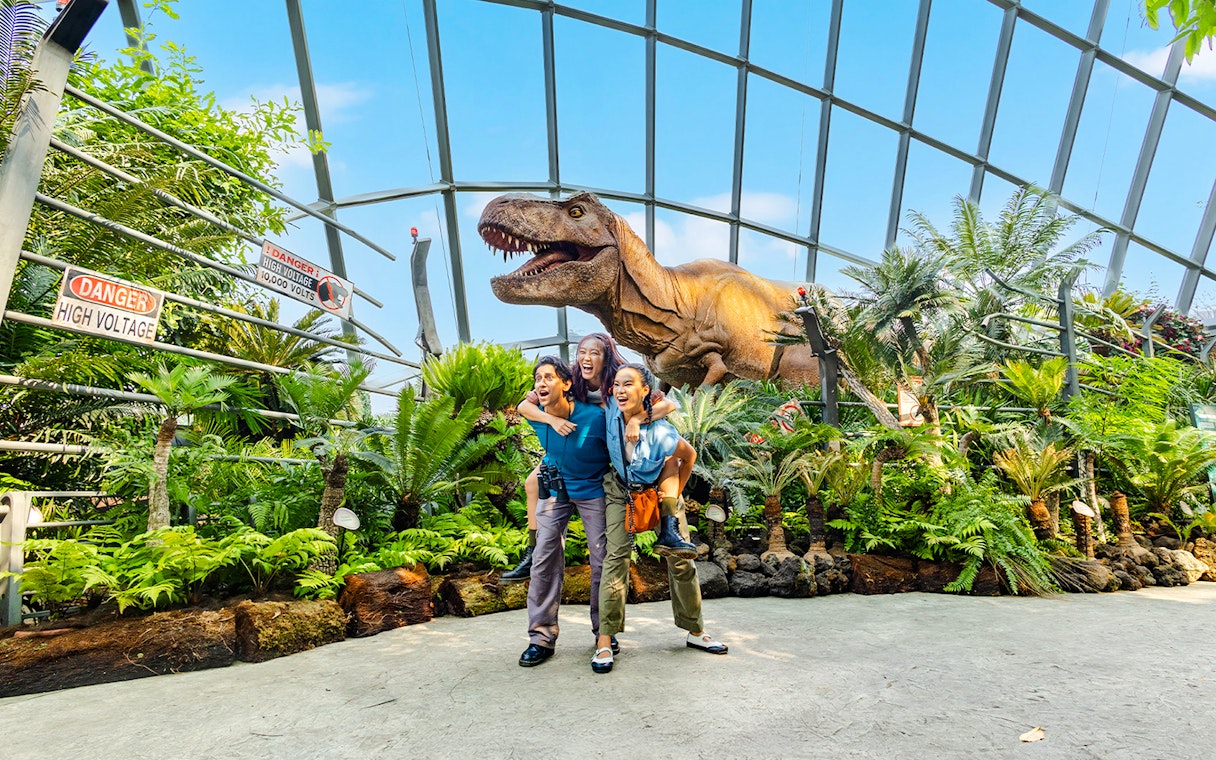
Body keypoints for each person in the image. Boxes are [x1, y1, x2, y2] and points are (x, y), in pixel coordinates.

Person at [503, 333, 676, 581]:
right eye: (582, 352)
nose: (586, 358)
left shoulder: (620, 378)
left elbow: (667, 405)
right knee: (532, 483)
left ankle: (668, 530)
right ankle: (532, 552)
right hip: (578, 439)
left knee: (660, 475)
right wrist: (552, 420)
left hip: (616, 443)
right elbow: (524, 406)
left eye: (594, 353)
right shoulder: (571, 378)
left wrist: (637, 419)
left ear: (606, 357)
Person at [592, 363, 728, 674]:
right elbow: (669, 403)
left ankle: (696, 631)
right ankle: (605, 639)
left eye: (628, 384)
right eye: (617, 384)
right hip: (620, 491)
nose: (620, 390)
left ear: (645, 391)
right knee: (616, 558)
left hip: (659, 491)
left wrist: (674, 497)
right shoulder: (611, 409)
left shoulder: (662, 432)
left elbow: (688, 456)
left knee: (681, 560)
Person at [518, 356, 610, 667]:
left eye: (548, 377)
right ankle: (540, 638)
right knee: (543, 558)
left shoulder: (594, 417)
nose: (541, 383)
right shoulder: (538, 415)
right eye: (537, 378)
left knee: (602, 560)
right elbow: (522, 406)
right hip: (555, 489)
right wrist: (551, 420)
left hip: (593, 489)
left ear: (567, 383)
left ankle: (604, 633)